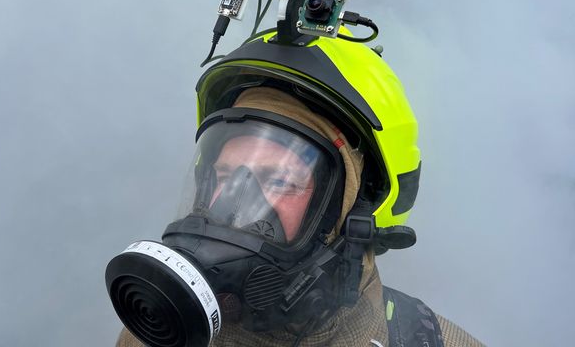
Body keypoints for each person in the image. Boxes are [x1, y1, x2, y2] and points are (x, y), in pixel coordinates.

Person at [115, 28, 485, 346]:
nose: (233, 208)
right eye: (226, 176)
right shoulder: (154, 332)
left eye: (280, 181)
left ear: (351, 214)